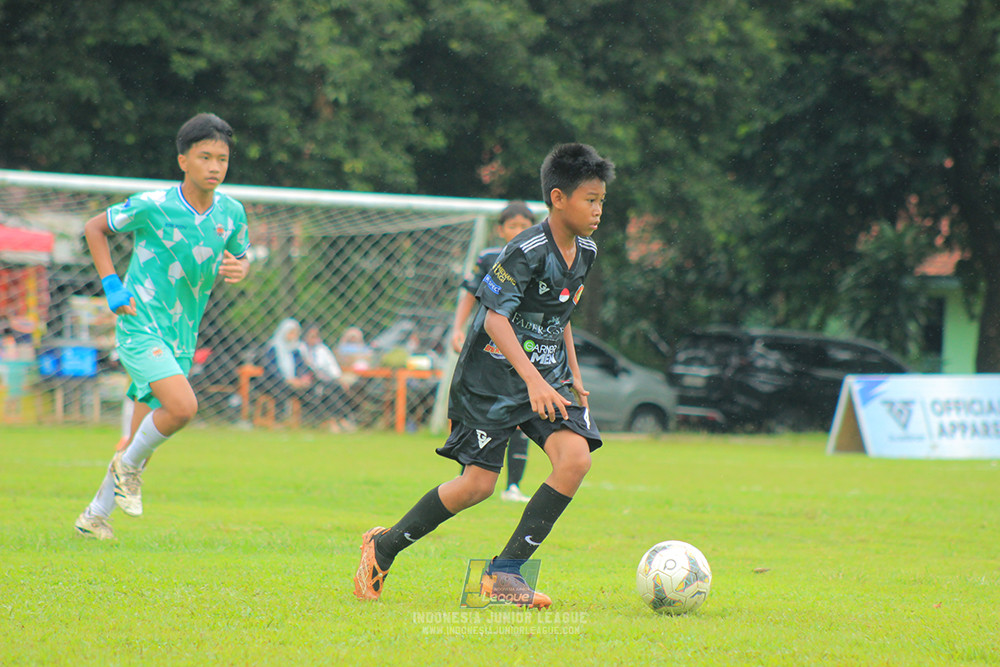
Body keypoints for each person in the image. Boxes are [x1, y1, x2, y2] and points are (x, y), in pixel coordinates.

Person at [353, 143, 615, 608]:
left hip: (547, 374)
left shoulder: (588, 250)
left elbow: (562, 312)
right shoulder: (526, 249)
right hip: (491, 379)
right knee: (477, 486)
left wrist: (570, 372)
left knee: (575, 459)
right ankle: (383, 547)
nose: (598, 210)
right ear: (558, 198)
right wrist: (533, 380)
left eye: (601, 200)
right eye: (589, 199)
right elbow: (494, 318)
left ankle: (505, 574)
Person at [74, 113, 250, 540]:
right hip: (139, 325)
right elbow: (94, 227)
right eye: (204, 156)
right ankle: (127, 471)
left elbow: (240, 257)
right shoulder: (154, 204)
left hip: (181, 336)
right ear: (182, 160)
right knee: (182, 408)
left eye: (222, 159)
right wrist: (112, 285)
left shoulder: (233, 212)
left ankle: (95, 516)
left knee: (139, 441)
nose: (214, 166)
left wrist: (240, 267)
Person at [451, 201, 536, 502]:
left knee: (520, 416)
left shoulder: (538, 257)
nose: (518, 231)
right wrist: (457, 328)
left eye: (524, 225)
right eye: (512, 226)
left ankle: (513, 486)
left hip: (522, 348)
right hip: (487, 349)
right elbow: (468, 294)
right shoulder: (489, 258)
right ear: (501, 230)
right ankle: (467, 474)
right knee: (479, 410)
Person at [302, 323, 358, 432]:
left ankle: (339, 419)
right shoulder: (301, 348)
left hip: (327, 381)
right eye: (312, 336)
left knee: (336, 387)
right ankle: (335, 420)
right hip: (312, 381)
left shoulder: (322, 349)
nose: (315, 339)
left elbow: (332, 366)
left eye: (316, 336)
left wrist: (340, 379)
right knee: (330, 388)